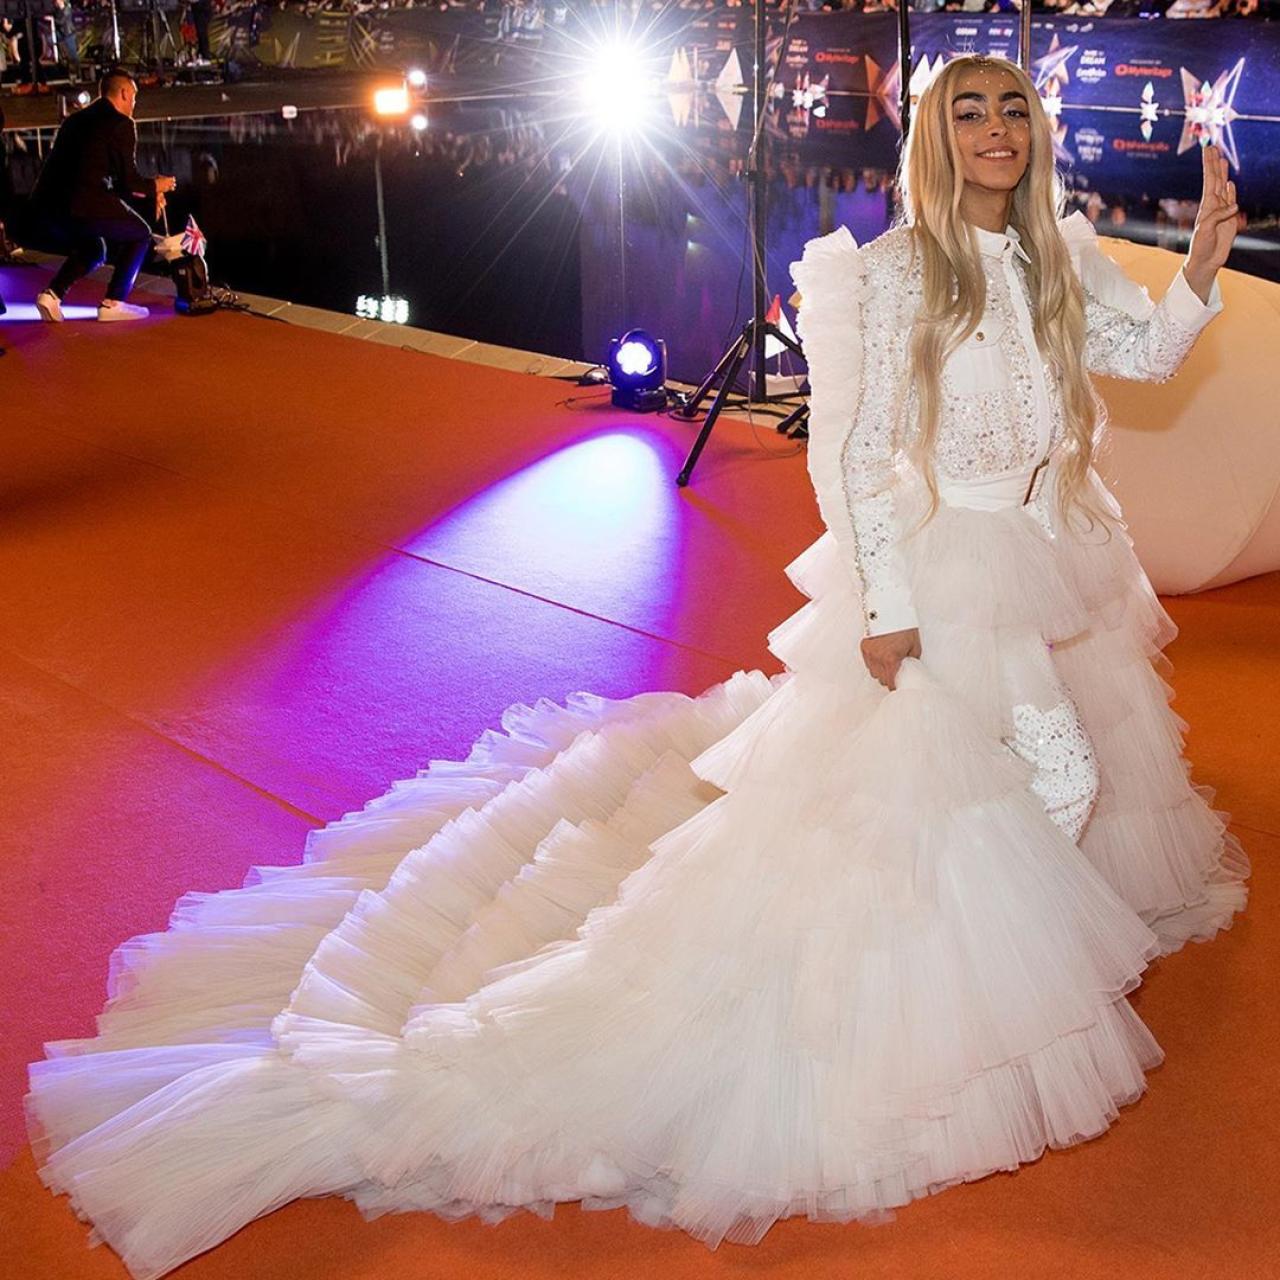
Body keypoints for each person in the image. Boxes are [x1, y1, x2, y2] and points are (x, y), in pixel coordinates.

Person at [25, 55, 1246, 1279]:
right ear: (934, 137)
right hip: (946, 572)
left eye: (1011, 109)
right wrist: (883, 605)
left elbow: (1140, 357)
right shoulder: (895, 272)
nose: (994, 129)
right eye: (966, 111)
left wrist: (1196, 264)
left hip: (1032, 554)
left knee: (1004, 789)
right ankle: (956, 991)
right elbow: (863, 451)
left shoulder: (1051, 257)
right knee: (1035, 780)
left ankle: (974, 962)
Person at [26, 69, 176, 323]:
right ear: (124, 93)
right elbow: (129, 181)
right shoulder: (121, 123)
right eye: (134, 98)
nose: (134, 105)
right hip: (84, 202)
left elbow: (104, 176)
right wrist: (157, 186)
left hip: (49, 206)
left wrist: (150, 191)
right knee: (140, 234)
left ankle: (51, 295)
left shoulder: (74, 121)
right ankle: (113, 302)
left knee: (93, 248)